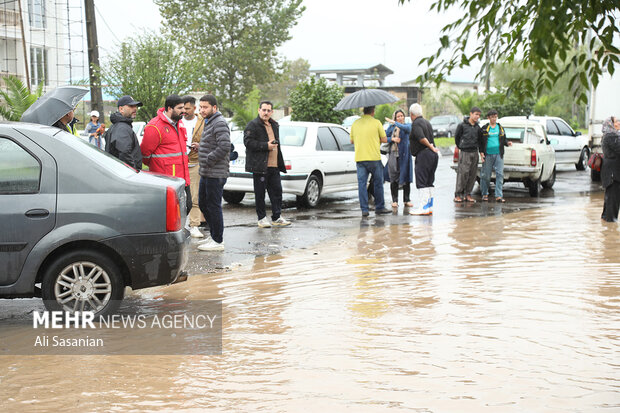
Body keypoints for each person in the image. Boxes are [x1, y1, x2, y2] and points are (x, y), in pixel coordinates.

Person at [243, 100, 291, 228]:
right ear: (259, 110)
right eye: (263, 110)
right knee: (260, 194)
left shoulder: (275, 125)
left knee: (277, 192)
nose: (266, 113)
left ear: (272, 112)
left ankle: (277, 217)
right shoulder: (252, 125)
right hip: (260, 166)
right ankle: (262, 218)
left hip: (274, 165)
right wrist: (266, 146)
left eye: (268, 110)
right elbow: (248, 143)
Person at [141, 94, 191, 214]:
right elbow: (145, 154)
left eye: (184, 108)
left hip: (183, 179)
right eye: (180, 108)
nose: (183, 111)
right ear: (169, 109)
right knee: (169, 214)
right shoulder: (155, 126)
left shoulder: (179, 124)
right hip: (167, 181)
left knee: (186, 207)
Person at [389, 103, 439, 215]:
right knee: (429, 181)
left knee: (422, 182)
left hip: (424, 154)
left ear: (411, 114)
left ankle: (423, 207)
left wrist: (430, 146)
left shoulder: (416, 124)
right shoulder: (427, 122)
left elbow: (421, 138)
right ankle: (429, 206)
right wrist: (432, 148)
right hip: (432, 155)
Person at [196, 94, 230, 251]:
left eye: (205, 107)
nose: (202, 110)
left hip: (215, 173)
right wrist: (200, 147)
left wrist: (208, 158)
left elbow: (224, 147)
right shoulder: (209, 121)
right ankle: (214, 235)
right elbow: (213, 143)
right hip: (206, 171)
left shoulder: (220, 123)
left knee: (213, 206)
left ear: (214, 108)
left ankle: (218, 240)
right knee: (203, 203)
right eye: (200, 107)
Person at [350, 106, 392, 217]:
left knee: (362, 184)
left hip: (360, 158)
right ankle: (379, 207)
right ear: (373, 111)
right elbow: (384, 139)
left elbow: (352, 141)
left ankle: (364, 209)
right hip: (374, 158)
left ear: (364, 111)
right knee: (378, 183)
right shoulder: (377, 123)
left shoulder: (355, 124)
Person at [183, 96, 207, 238]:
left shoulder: (202, 122)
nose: (184, 111)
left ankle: (194, 225)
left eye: (187, 108)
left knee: (194, 196)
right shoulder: (177, 121)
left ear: (194, 108)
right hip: (179, 162)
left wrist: (200, 147)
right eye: (182, 108)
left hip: (194, 162)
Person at [383, 110, 414, 208]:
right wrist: (392, 139)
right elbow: (384, 138)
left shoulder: (407, 126)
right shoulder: (391, 128)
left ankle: (407, 200)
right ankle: (395, 200)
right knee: (394, 178)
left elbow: (407, 129)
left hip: (405, 155)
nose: (400, 118)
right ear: (395, 118)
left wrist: (395, 123)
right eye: (398, 116)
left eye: (402, 116)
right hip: (393, 155)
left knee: (406, 177)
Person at [480, 109, 512, 202]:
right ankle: (485, 193)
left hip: (499, 154)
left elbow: (504, 139)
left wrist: (507, 143)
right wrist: (481, 153)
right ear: (488, 118)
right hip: (488, 155)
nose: (494, 118)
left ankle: (498, 195)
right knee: (486, 175)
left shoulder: (500, 128)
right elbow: (481, 142)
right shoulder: (485, 128)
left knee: (500, 174)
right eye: (492, 117)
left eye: (495, 117)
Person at [105, 95, 143, 170]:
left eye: (135, 106)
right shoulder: (122, 127)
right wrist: (133, 172)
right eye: (131, 106)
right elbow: (124, 154)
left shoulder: (120, 125)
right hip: (126, 175)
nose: (135, 108)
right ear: (121, 109)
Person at [454, 106, 483, 203]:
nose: (477, 117)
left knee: (472, 174)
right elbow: (457, 138)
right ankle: (458, 194)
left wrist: (481, 153)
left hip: (474, 152)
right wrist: (461, 146)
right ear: (471, 114)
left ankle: (468, 194)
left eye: (479, 115)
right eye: (476, 114)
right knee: (463, 173)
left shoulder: (478, 128)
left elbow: (480, 141)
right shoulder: (462, 125)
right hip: (465, 152)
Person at [601, 116, 620, 222]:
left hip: (611, 172)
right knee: (613, 201)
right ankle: (611, 229)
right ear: (610, 124)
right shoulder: (611, 136)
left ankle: (606, 228)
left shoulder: (610, 135)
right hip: (613, 174)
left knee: (609, 200)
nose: (619, 123)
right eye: (617, 122)